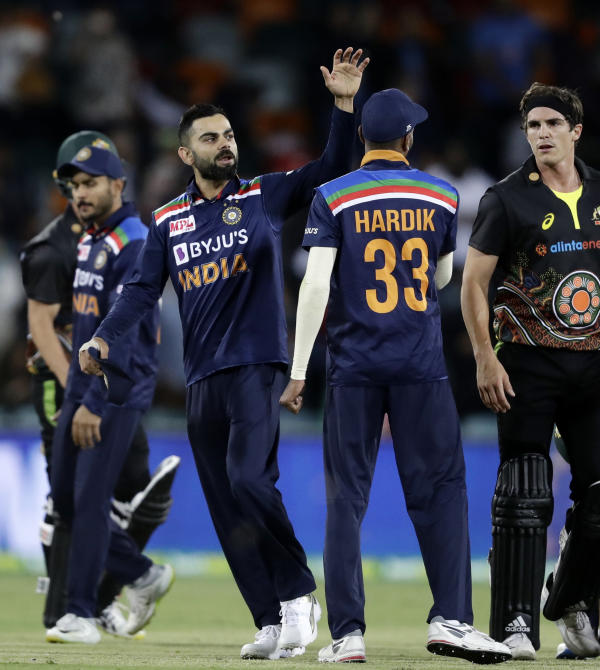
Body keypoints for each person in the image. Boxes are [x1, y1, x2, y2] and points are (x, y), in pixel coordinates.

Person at [78, 47, 369, 660]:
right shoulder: (166, 222)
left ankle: (299, 596)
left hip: (258, 364)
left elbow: (334, 167)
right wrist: (104, 336)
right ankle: (269, 618)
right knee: (224, 501)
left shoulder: (265, 193)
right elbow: (139, 291)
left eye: (230, 134)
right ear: (187, 154)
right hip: (202, 377)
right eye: (211, 138)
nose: (225, 143)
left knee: (249, 480)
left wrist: (343, 106)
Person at [279, 88, 510, 665]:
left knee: (345, 501)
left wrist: (300, 367)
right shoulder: (442, 194)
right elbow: (440, 279)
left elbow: (314, 285)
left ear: (362, 137)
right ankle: (453, 619)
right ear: (409, 138)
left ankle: (348, 635)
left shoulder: (332, 196)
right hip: (420, 365)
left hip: (353, 367)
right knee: (441, 493)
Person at [461, 82, 600, 661]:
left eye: (552, 124)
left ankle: (571, 598)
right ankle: (514, 624)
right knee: (524, 493)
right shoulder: (506, 198)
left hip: (596, 369)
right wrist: (486, 356)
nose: (541, 134)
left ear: (575, 131)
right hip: (527, 365)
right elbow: (473, 284)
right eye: (532, 126)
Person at [21, 131, 179, 636]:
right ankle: (142, 573)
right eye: (73, 187)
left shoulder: (132, 243)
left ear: (118, 183)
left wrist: (93, 400)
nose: (80, 195)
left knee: (88, 501)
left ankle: (82, 613)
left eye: (90, 184)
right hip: (81, 390)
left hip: (114, 391)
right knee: (65, 502)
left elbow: (127, 339)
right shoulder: (93, 239)